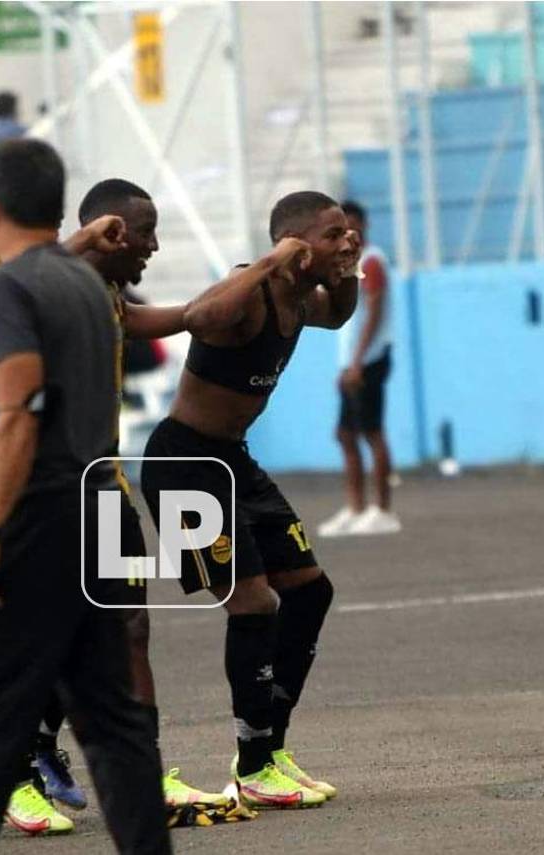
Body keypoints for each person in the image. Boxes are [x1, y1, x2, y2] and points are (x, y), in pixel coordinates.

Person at [0, 138, 171, 855]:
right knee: (112, 722)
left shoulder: (10, 288)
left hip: (35, 523)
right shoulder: (88, 288)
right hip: (94, 510)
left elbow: (18, 412)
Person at [140, 190, 359, 811]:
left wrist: (347, 273)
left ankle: (268, 750)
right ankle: (254, 760)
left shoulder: (300, 298)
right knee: (254, 602)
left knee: (310, 590)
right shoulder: (253, 289)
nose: (346, 241)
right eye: (333, 234)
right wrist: (265, 264)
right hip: (183, 462)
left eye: (349, 232)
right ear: (294, 244)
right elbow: (200, 318)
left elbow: (338, 316)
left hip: (231, 461)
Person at [73, 178, 241, 820]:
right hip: (48, 496)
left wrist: (236, 287)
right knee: (40, 638)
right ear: (107, 229)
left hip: (105, 489)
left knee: (131, 626)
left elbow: (176, 318)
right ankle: (23, 772)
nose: (153, 243)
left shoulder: (111, 295)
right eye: (144, 230)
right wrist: (82, 241)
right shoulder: (48, 288)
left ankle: (141, 774)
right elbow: (8, 288)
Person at [319, 201, 400, 537]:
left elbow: (375, 313)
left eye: (352, 227)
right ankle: (355, 508)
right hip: (351, 362)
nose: (347, 235)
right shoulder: (345, 266)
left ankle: (382, 510)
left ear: (363, 225)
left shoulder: (372, 262)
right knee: (346, 434)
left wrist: (357, 362)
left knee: (371, 432)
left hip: (369, 360)